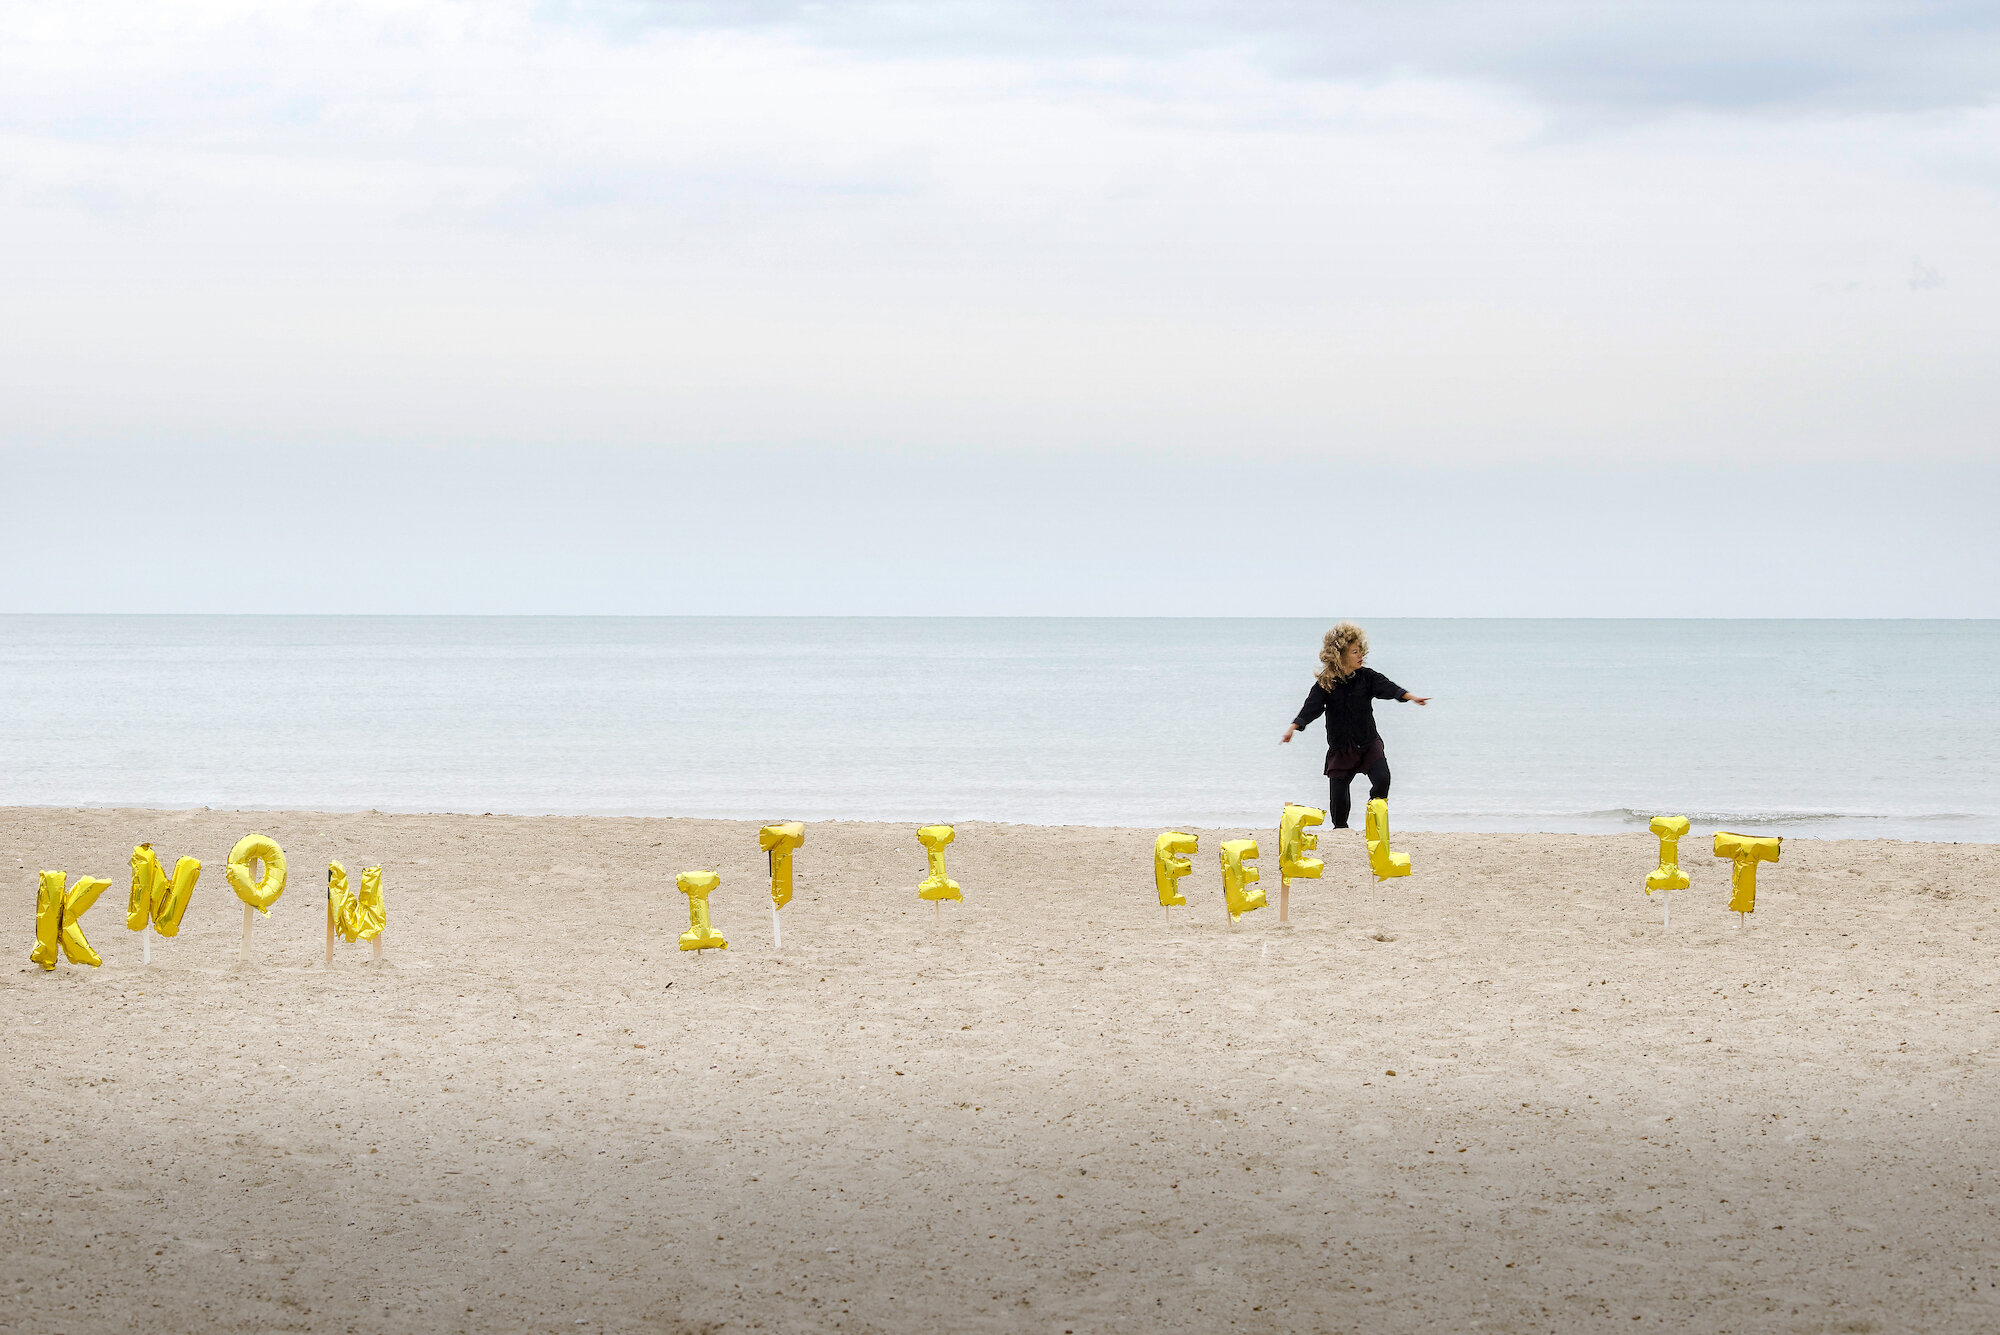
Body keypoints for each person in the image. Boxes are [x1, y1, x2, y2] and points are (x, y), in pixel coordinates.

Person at [1280, 622, 1429, 828]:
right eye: (1354, 651)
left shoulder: (1367, 677)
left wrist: (1410, 696)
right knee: (1339, 806)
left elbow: (1387, 687)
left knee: (1382, 779)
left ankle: (1374, 820)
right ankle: (1341, 830)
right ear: (1339, 655)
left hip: (1368, 743)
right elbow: (1311, 708)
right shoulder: (1326, 683)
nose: (1360, 655)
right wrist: (1293, 728)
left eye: (1361, 651)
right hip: (1341, 749)